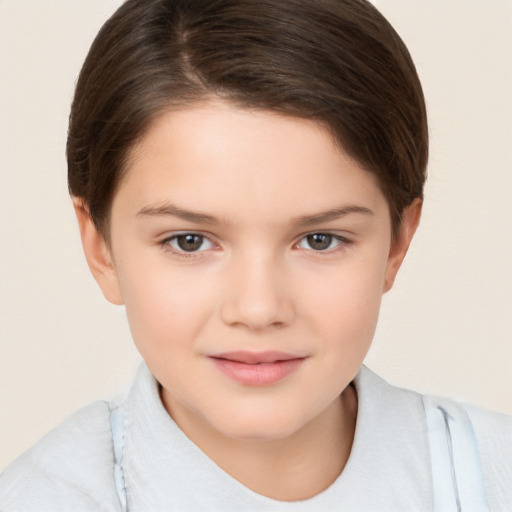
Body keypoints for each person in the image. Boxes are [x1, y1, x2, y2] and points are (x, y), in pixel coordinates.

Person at [0, 0, 510, 510]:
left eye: (320, 240)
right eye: (189, 241)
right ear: (101, 246)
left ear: (397, 243)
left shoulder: (491, 474)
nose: (259, 309)